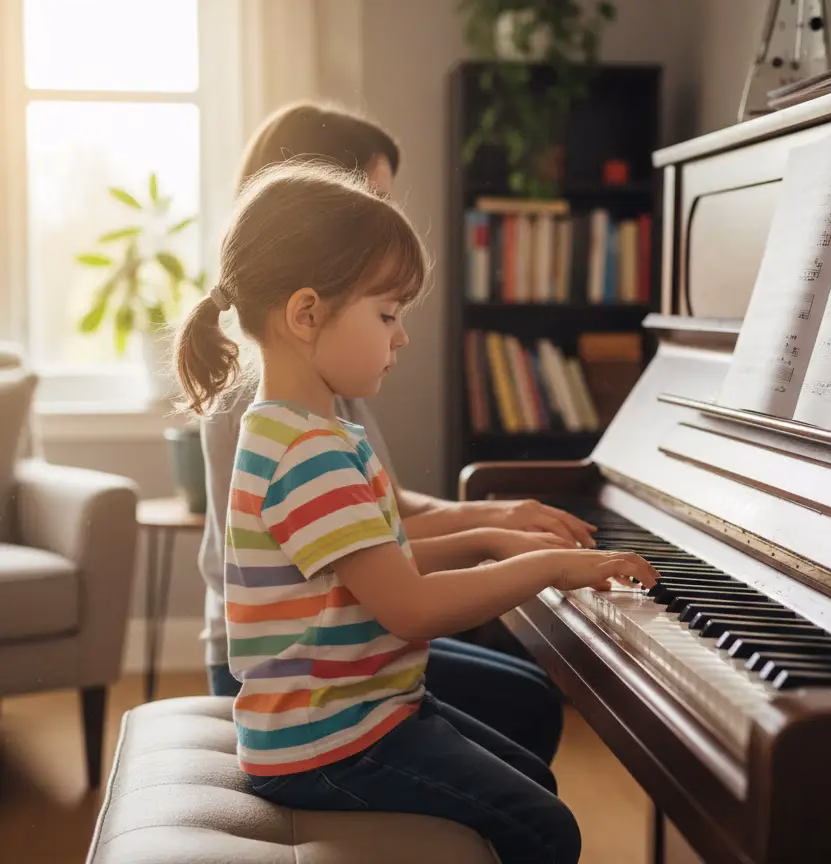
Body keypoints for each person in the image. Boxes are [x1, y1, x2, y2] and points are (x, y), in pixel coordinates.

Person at [175, 161, 658, 863]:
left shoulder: (304, 432)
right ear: (306, 313)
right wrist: (548, 565)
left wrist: (492, 538)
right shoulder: (304, 452)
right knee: (546, 826)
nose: (401, 337)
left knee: (533, 781)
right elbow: (411, 608)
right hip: (328, 743)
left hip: (363, 712)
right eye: (387, 314)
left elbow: (374, 567)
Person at [198, 102, 597, 765]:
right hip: (300, 665)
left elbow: (380, 513)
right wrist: (505, 544)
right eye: (372, 204)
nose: (393, 228)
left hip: (345, 635)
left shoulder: (319, 380)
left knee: (523, 690)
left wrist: (498, 520)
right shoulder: (264, 398)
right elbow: (339, 551)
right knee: (523, 705)